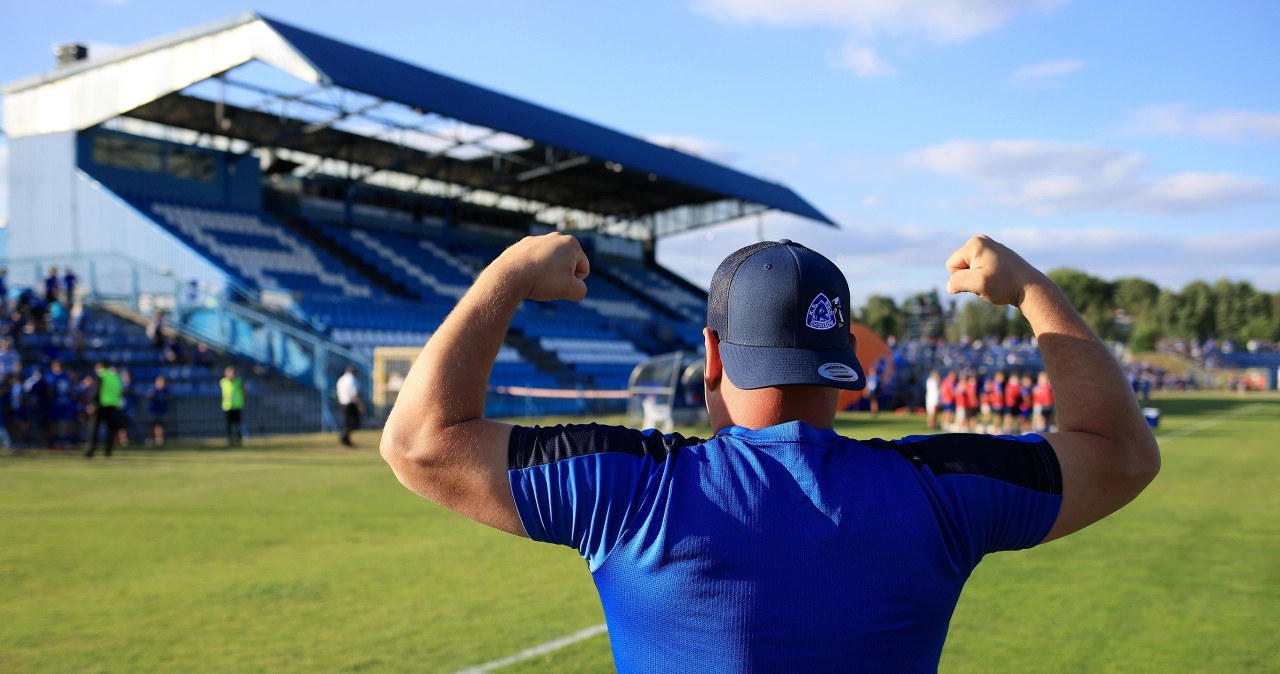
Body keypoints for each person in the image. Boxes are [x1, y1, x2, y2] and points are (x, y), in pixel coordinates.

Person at [380, 233, 1160, 672]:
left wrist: (509, 274)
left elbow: (420, 442)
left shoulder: (632, 491)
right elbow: (1121, 452)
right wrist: (1028, 288)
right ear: (845, 360)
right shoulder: (941, 493)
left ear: (712, 358)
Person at [85, 362, 123, 458]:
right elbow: (119, 391)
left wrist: (92, 403)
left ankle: (91, 450)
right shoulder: (115, 377)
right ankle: (108, 451)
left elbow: (96, 391)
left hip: (101, 405)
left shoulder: (101, 376)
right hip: (113, 406)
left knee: (94, 429)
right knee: (110, 430)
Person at [335, 365, 364, 447]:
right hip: (350, 403)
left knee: (348, 422)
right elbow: (354, 394)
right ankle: (344, 437)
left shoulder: (341, 379)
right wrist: (360, 404)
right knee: (354, 423)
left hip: (342, 402)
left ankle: (346, 439)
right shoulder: (352, 379)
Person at [220, 366, 245, 446]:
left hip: (237, 406)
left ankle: (239, 440)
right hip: (228, 406)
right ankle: (230, 440)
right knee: (229, 425)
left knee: (238, 424)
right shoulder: (223, 382)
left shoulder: (238, 381)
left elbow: (244, 391)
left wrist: (244, 400)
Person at [146, 376, 170, 446]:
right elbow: (148, 395)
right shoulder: (153, 389)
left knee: (161, 425)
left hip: (162, 410)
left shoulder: (165, 390)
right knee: (153, 425)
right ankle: (151, 439)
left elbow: (170, 395)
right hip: (154, 410)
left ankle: (159, 439)